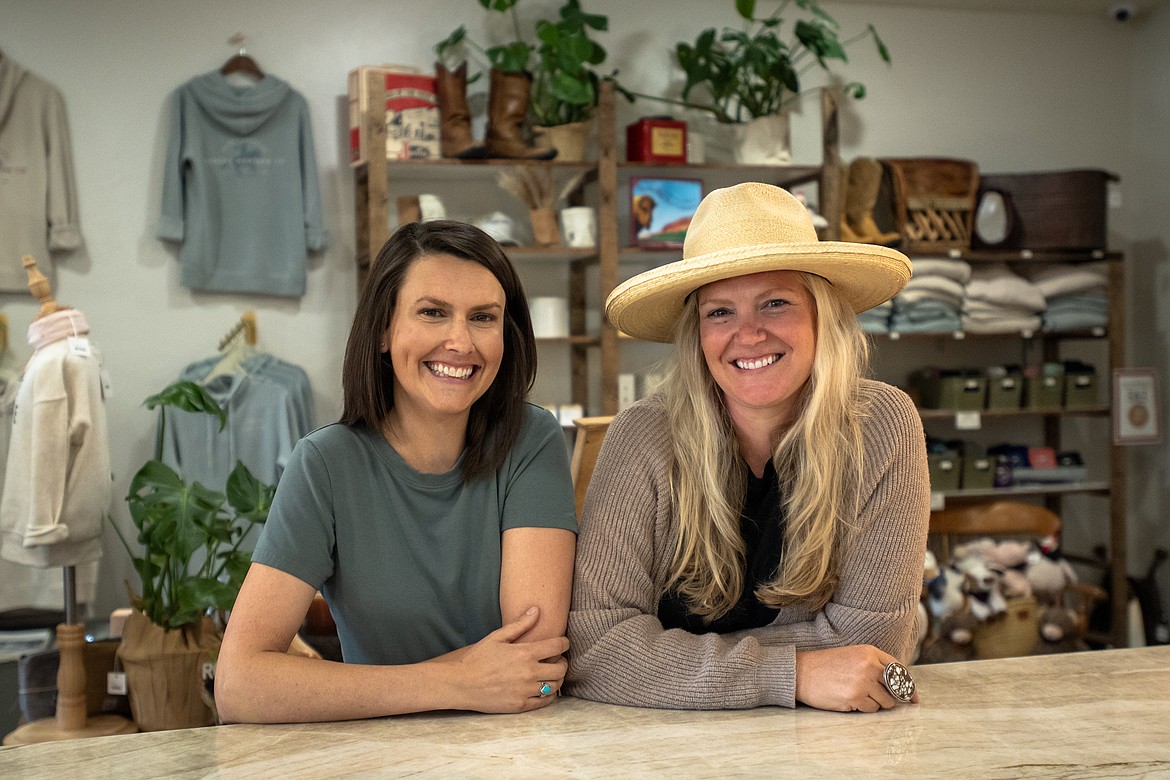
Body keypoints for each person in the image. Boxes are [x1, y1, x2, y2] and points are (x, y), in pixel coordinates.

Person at [565, 182, 930, 713]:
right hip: (658, 751)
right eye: (720, 312)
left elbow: (874, 648)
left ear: (820, 316)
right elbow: (597, 649)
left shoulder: (881, 426)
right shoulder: (641, 436)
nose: (750, 335)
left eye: (775, 303)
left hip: (830, 750)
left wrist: (662, 660)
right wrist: (795, 673)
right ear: (696, 333)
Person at [215, 220, 578, 723]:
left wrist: (366, 687)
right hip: (383, 757)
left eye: (483, 318)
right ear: (384, 330)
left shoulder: (531, 439)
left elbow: (533, 671)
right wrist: (457, 681)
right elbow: (237, 686)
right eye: (432, 313)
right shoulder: (325, 464)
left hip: (516, 753)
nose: (460, 341)